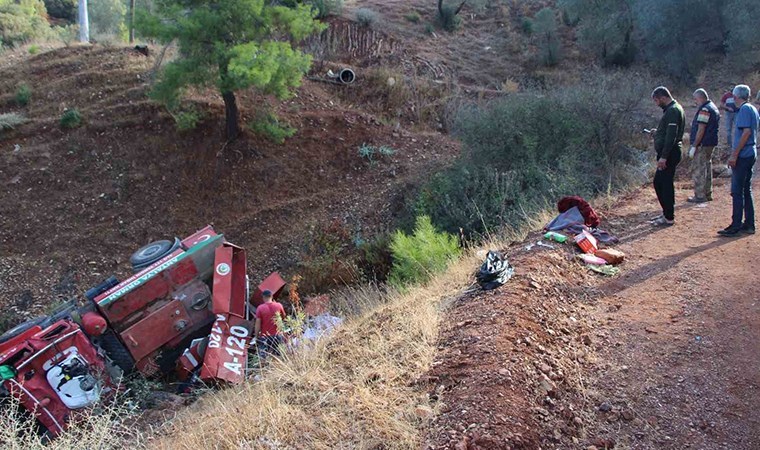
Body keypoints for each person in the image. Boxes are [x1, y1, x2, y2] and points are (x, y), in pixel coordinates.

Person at [718, 84, 758, 236]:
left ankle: (736, 225)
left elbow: (746, 133)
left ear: (736, 97)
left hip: (743, 155)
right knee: (745, 189)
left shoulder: (744, 110)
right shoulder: (752, 108)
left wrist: (734, 154)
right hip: (750, 153)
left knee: (737, 191)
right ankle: (748, 224)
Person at [650, 86, 685, 226]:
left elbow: (672, 135)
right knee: (661, 183)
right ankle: (666, 213)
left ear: (663, 98)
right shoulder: (672, 109)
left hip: (670, 153)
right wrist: (657, 132)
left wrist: (664, 157)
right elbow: (668, 131)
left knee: (663, 183)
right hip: (669, 152)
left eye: (657, 100)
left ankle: (668, 217)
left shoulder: (673, 110)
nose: (656, 103)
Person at [687, 89, 720, 203]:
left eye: (695, 99)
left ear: (700, 98)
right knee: (707, 167)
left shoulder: (705, 109)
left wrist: (694, 145)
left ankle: (700, 195)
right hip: (710, 143)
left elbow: (701, 129)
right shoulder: (713, 107)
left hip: (703, 144)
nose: (695, 102)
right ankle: (707, 193)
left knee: (699, 169)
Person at [254, 289, 286, 357]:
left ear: (263, 297)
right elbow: (283, 317)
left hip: (265, 337)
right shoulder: (279, 305)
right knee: (278, 357)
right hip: (277, 335)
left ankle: (264, 367)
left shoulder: (260, 308)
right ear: (272, 296)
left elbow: (257, 324)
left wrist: (256, 336)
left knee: (263, 357)